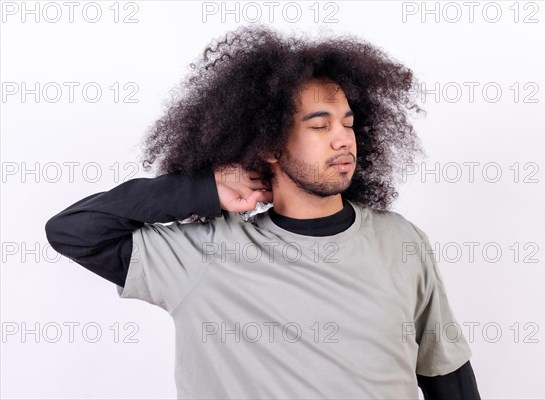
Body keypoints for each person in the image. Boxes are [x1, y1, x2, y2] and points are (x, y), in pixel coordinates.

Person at [45, 25, 481, 399]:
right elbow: (76, 230)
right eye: (319, 125)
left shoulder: (401, 242)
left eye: (347, 123)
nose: (343, 139)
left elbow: (447, 375)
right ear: (271, 145)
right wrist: (202, 190)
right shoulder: (206, 252)